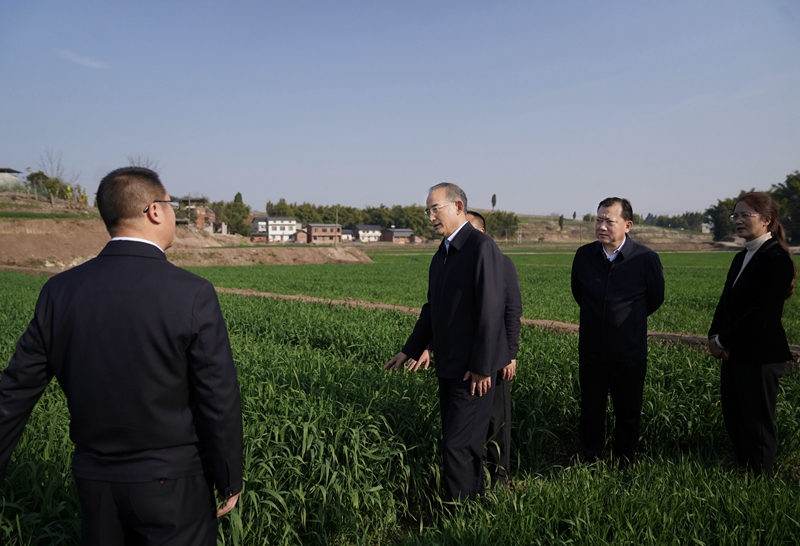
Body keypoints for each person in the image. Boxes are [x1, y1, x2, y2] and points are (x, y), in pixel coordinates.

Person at [0, 167, 243, 545]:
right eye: (171, 204)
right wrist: (229, 476)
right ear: (154, 210)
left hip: (95, 481)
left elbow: (14, 393)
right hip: (173, 484)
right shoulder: (191, 293)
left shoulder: (59, 292)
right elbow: (218, 396)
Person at [385, 183, 508, 500]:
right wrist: (410, 349)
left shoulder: (481, 248)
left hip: (472, 372)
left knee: (456, 444)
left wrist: (482, 367)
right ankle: (474, 504)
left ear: (457, 207)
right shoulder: (442, 253)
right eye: (427, 211)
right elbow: (432, 309)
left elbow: (491, 312)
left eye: (434, 209)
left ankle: (457, 515)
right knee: (462, 443)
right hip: (449, 367)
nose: (430, 217)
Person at [408, 210, 522, 487]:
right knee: (467, 436)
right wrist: (424, 347)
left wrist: (509, 353)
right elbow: (448, 312)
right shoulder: (446, 257)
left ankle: (498, 480)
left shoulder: (494, 258)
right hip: (461, 362)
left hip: (489, 360)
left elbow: (504, 312)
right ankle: (475, 494)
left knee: (494, 423)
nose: (432, 216)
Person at [571, 197, 664, 467]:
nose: (601, 226)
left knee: (628, 411)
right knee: (591, 409)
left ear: (627, 225)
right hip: (591, 350)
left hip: (629, 351)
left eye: (608, 221)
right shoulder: (584, 256)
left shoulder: (645, 258)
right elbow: (580, 293)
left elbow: (655, 298)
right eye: (598, 219)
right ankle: (590, 458)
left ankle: (625, 461)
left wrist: (628, 320)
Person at [708, 191, 795, 477]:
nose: (738, 220)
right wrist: (714, 336)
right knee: (735, 417)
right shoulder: (742, 255)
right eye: (736, 215)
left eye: (746, 215)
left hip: (760, 355)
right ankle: (744, 472)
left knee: (757, 421)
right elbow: (725, 302)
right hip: (735, 353)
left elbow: (763, 314)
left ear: (767, 220)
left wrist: (723, 340)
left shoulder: (775, 258)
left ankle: (760, 479)